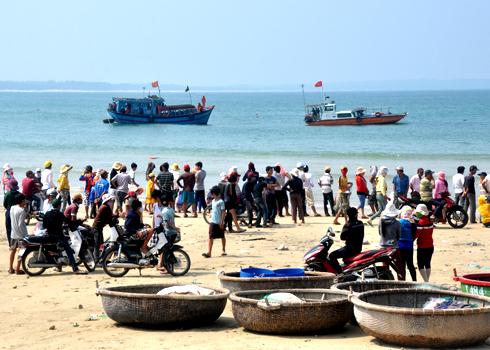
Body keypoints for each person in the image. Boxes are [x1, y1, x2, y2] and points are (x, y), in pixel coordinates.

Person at [43, 198, 87, 274]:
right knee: (69, 250)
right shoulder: (59, 214)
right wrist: (80, 221)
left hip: (49, 235)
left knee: (58, 250)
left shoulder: (47, 213)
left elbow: (44, 225)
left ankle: (58, 267)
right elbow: (69, 222)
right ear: (59, 205)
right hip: (58, 236)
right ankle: (75, 268)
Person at [329, 207, 364, 273]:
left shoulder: (348, 225)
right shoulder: (360, 223)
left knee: (332, 255)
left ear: (348, 215)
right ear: (356, 215)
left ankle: (339, 272)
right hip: (358, 248)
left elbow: (342, 238)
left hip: (349, 249)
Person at [202, 186, 227, 258]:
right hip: (213, 222)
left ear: (215, 194)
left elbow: (223, 212)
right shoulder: (213, 201)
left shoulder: (221, 202)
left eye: (212, 194)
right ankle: (209, 252)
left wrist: (222, 222)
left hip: (220, 222)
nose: (212, 195)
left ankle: (223, 250)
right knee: (210, 236)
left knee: (222, 236)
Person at [92, 194, 117, 260]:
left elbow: (110, 217)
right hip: (97, 228)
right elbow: (110, 219)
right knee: (97, 244)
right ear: (107, 201)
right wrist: (113, 222)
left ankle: (100, 258)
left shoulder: (105, 207)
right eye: (110, 200)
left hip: (99, 228)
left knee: (101, 243)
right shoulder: (105, 207)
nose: (112, 202)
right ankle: (96, 259)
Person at [9, 193, 28, 274]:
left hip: (13, 233)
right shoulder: (22, 210)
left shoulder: (12, 208)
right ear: (21, 201)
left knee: (12, 251)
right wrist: (25, 235)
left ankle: (10, 268)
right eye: (24, 201)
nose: (25, 202)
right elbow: (21, 225)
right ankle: (17, 269)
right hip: (21, 235)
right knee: (21, 251)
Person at [414, 204, 434, 282]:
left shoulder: (421, 222)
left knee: (420, 265)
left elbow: (416, 235)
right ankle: (427, 280)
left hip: (422, 247)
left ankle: (426, 281)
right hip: (430, 245)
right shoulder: (430, 221)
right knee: (427, 264)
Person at [398, 206, 417, 281]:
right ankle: (414, 281)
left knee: (402, 265)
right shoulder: (412, 223)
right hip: (409, 246)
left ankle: (402, 281)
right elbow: (414, 235)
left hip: (400, 245)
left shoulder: (399, 222)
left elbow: (396, 234)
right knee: (410, 265)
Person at [3, 179, 20, 248]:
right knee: (17, 227)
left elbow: (4, 204)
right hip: (18, 212)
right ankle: (18, 243)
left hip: (9, 211)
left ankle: (11, 244)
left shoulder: (8, 194)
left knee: (9, 228)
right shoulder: (19, 194)